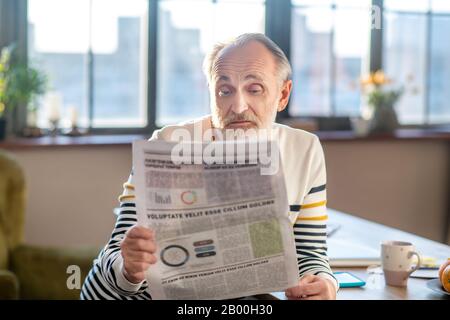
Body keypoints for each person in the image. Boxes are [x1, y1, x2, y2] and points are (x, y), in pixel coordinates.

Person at [81, 33, 338, 300]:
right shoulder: (168, 143)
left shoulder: (305, 149)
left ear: (283, 95)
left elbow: (310, 253)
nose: (237, 107)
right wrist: (129, 268)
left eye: (254, 89)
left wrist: (325, 283)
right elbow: (117, 249)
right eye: (225, 91)